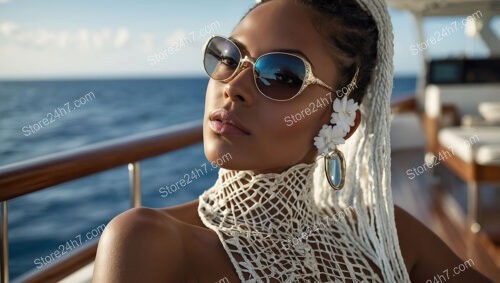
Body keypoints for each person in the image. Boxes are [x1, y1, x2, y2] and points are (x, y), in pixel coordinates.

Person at [92, 0, 494, 282]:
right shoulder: (146, 242)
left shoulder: (387, 236)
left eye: (282, 75)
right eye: (229, 56)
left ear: (342, 122)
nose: (233, 86)